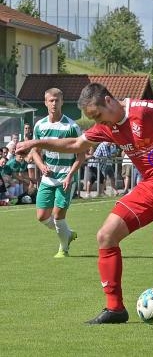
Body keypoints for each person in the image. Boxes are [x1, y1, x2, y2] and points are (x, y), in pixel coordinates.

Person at [17, 83, 153, 325]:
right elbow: (74, 145)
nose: (101, 123)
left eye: (98, 115)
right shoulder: (105, 126)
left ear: (109, 101)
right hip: (149, 185)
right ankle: (115, 308)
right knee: (106, 235)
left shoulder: (142, 110)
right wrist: (36, 143)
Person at [26, 88, 84, 258]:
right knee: (42, 217)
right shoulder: (40, 125)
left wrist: (70, 175)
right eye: (51, 100)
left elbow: (81, 155)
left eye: (57, 100)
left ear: (62, 102)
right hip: (47, 179)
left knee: (58, 216)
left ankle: (63, 249)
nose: (54, 103)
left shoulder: (72, 126)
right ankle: (67, 233)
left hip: (65, 177)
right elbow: (35, 151)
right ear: (45, 102)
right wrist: (42, 166)